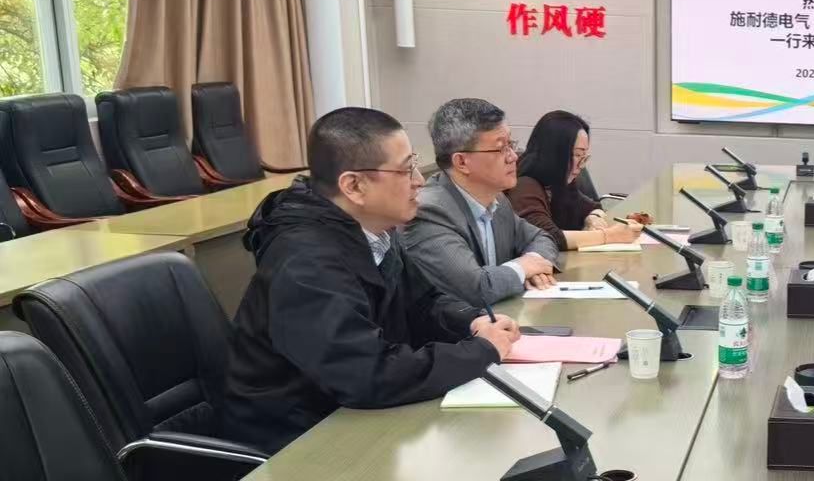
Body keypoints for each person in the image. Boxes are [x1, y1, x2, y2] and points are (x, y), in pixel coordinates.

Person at [225, 107, 517, 454]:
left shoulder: (373, 231)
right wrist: (479, 352)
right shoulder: (305, 263)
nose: (419, 181)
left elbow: (422, 304)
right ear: (354, 186)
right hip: (295, 438)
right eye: (405, 169)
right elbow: (366, 373)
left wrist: (471, 322)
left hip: (348, 415)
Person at [402, 97, 561, 307]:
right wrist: (522, 269)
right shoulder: (429, 211)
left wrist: (533, 262)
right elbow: (476, 289)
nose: (513, 157)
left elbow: (541, 237)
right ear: (461, 162)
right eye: (501, 148)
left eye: (511, 144)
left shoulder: (497, 199)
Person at [507, 110, 642, 252]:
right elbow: (548, 238)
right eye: (577, 155)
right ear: (554, 152)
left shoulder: (558, 182)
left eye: (584, 156)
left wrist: (593, 218)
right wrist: (609, 235)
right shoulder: (524, 186)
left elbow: (592, 206)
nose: (581, 165)